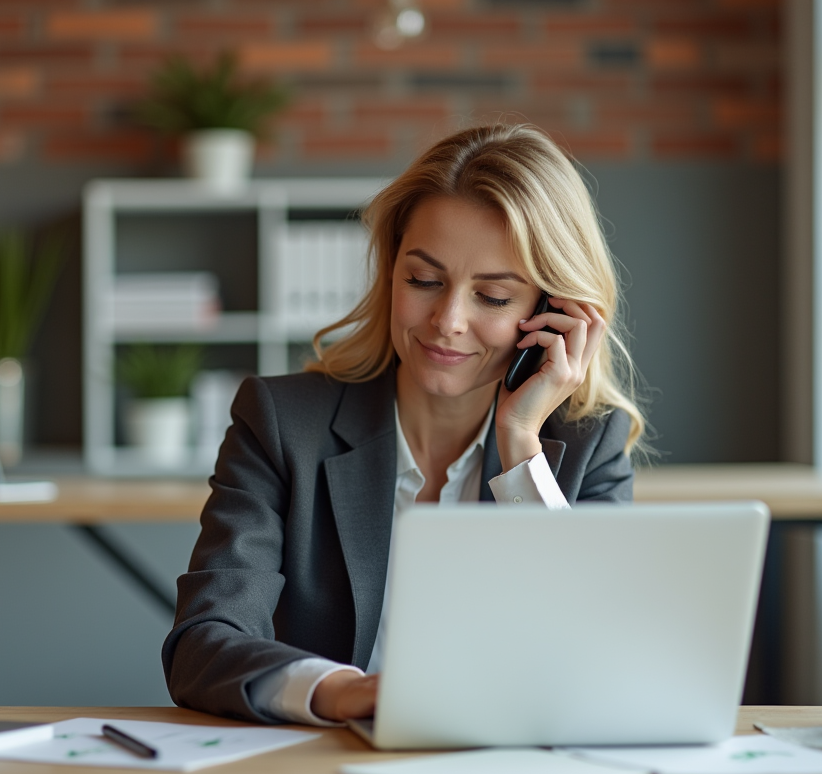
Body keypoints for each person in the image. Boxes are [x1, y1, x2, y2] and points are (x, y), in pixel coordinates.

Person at [161, 123, 648, 726]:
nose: (447, 320)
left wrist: (521, 445)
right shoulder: (283, 423)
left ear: (553, 312)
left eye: (494, 297)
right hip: (326, 762)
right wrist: (341, 692)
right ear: (391, 272)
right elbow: (204, 641)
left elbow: (598, 658)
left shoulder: (586, 444)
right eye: (424, 281)